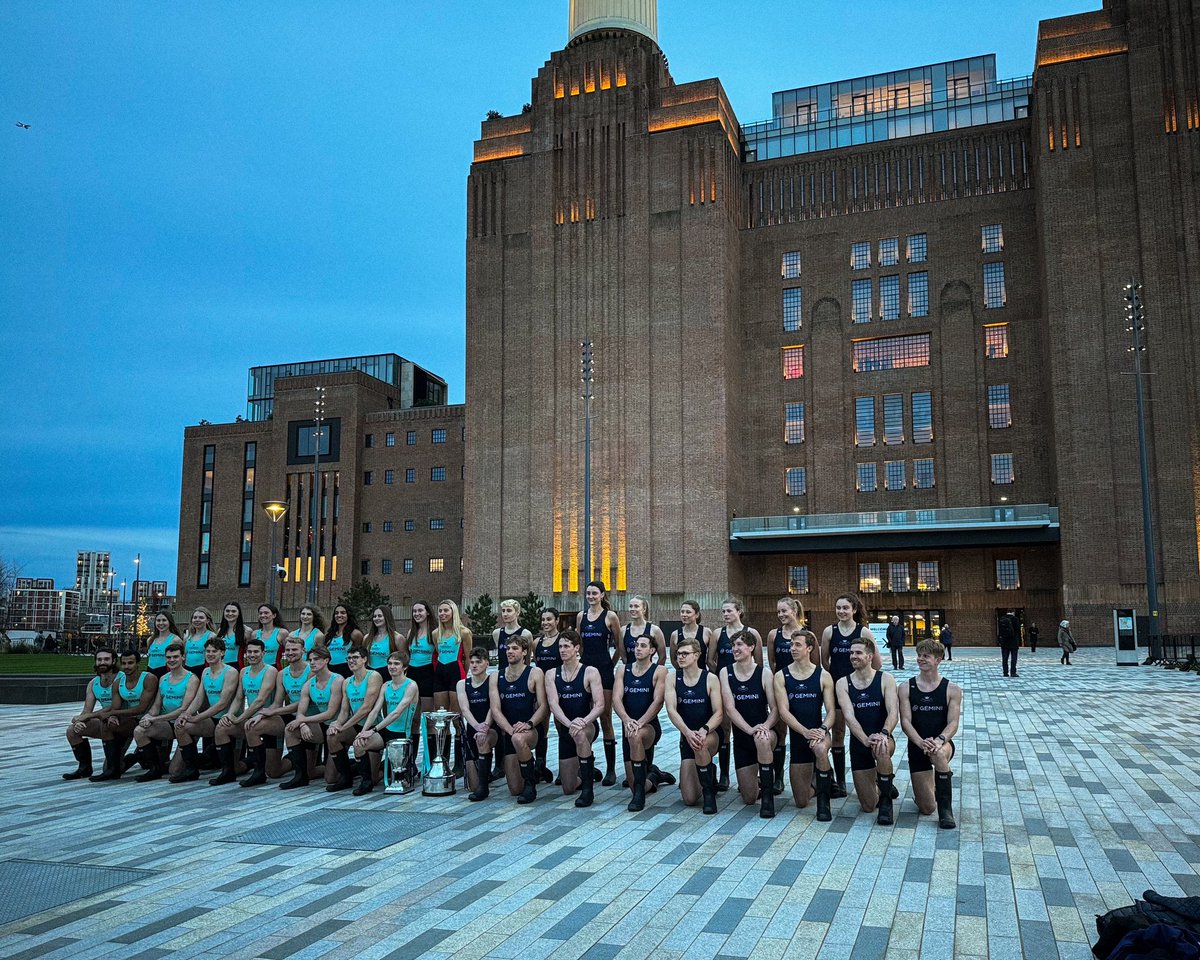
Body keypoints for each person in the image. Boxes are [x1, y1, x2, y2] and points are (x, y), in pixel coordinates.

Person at [820, 593, 882, 799]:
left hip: (861, 690)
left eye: (845, 608)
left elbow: (877, 663)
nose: (841, 611)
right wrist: (840, 682)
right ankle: (840, 781)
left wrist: (861, 682)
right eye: (838, 608)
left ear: (854, 609)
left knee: (865, 731)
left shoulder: (863, 631)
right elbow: (825, 663)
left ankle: (879, 778)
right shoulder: (830, 631)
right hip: (839, 689)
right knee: (838, 734)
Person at [836, 636, 900, 825]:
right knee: (868, 805)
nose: (853, 656)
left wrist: (884, 734)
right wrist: (864, 739)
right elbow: (848, 716)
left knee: (881, 748)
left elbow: (893, 712)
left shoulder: (885, 679)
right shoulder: (843, 683)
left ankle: (887, 802)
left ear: (870, 656)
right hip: (860, 742)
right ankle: (883, 782)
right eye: (851, 653)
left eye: (858, 653)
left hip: (883, 739)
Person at [898, 638, 962, 829]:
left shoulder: (952, 689)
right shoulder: (905, 687)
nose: (921, 659)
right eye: (919, 655)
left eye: (926, 656)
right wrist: (920, 742)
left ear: (938, 660)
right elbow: (906, 722)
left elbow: (953, 723)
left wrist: (940, 740)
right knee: (926, 808)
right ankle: (926, 794)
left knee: (938, 753)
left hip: (941, 744)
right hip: (917, 746)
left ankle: (946, 810)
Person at [774, 631, 835, 820]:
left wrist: (822, 730)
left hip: (819, 733)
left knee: (820, 748)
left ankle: (824, 801)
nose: (792, 648)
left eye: (798, 645)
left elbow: (831, 711)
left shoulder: (823, 675)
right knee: (801, 801)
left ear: (809, 648)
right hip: (800, 737)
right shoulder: (781, 676)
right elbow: (783, 712)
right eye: (791, 644)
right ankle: (822, 780)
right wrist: (804, 732)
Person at [720, 632, 778, 818]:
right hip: (743, 737)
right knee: (749, 798)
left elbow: (775, 709)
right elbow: (730, 708)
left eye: (739, 645)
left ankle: (768, 798)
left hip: (765, 733)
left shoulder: (764, 673)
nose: (735, 649)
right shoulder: (726, 672)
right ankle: (757, 782)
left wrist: (765, 726)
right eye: (733, 645)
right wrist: (749, 730)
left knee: (762, 740)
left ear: (752, 647)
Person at [546, 630, 606, 807]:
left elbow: (600, 705)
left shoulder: (590, 672)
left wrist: (583, 721)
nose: (562, 650)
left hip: (587, 725)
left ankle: (588, 790)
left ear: (576, 648)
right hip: (567, 727)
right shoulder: (551, 674)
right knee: (568, 788)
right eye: (560, 646)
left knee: (580, 736)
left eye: (566, 646)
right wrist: (569, 723)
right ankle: (587, 770)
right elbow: (553, 705)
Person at [241, 636, 310, 786]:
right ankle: (260, 772)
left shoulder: (312, 670)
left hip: (310, 719)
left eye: (294, 649)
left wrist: (274, 712)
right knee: (273, 772)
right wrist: (261, 715)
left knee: (312, 772)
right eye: (288, 650)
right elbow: (277, 703)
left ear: (303, 650)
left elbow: (304, 702)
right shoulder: (282, 673)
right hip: (288, 717)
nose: (290, 652)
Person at [665, 637, 723, 815]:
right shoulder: (672, 678)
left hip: (709, 734)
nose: (680, 657)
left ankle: (708, 794)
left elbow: (719, 713)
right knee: (689, 799)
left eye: (685, 654)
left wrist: (704, 730)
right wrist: (687, 733)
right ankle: (708, 772)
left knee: (701, 744)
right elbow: (671, 710)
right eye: (678, 654)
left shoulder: (710, 678)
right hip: (687, 736)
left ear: (696, 655)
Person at [209, 635, 277, 786]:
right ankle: (228, 772)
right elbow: (239, 698)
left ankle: (259, 773)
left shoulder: (270, 671)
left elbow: (260, 700)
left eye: (256, 652)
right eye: (249, 652)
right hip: (250, 717)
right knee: (221, 728)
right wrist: (230, 714)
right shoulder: (244, 671)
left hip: (269, 717)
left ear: (263, 653)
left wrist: (239, 719)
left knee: (275, 771)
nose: (252, 655)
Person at [709, 599, 762, 793]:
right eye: (723, 611)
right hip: (726, 685)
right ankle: (724, 773)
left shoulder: (752, 633)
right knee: (725, 729)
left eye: (729, 611)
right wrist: (725, 681)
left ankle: (755, 773)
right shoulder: (717, 634)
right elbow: (710, 660)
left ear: (739, 611)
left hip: (747, 688)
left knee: (747, 725)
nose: (725, 614)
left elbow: (759, 662)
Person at [489, 633, 547, 804]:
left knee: (519, 739)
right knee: (514, 790)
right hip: (510, 732)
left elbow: (543, 706)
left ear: (524, 652)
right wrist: (509, 729)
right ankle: (531, 766)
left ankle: (531, 785)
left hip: (530, 731)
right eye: (508, 648)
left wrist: (529, 724)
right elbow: (495, 709)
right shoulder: (496, 676)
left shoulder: (534, 673)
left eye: (515, 648)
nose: (510, 652)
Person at [171, 637, 240, 783]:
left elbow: (223, 703)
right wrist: (187, 714)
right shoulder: (206, 672)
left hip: (229, 718)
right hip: (212, 719)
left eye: (214, 651)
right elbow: (198, 698)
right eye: (208, 651)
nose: (210, 654)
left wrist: (198, 717)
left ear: (222, 653)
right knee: (181, 726)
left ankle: (228, 772)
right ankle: (191, 770)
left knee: (220, 727)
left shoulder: (230, 672)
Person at [351, 650, 418, 795]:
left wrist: (373, 730)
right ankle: (366, 782)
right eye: (389, 663)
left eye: (396, 664)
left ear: (404, 667)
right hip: (385, 731)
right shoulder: (386, 685)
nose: (392, 667)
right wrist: (364, 731)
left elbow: (396, 713)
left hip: (401, 734)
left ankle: (407, 768)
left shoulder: (411, 685)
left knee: (400, 775)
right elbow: (375, 711)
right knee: (358, 745)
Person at [131, 642, 199, 782]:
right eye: (168, 657)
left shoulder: (191, 679)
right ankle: (154, 768)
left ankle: (198, 760)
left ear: (183, 658)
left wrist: (154, 719)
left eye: (175, 657)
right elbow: (156, 706)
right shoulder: (163, 678)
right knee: (139, 730)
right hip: (168, 724)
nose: (172, 660)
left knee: (174, 772)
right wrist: (148, 716)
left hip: (184, 724)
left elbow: (183, 710)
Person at [614, 632, 667, 811]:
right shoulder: (623, 669)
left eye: (643, 646)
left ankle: (639, 796)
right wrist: (627, 719)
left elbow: (658, 701)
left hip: (648, 726)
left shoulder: (659, 671)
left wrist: (640, 722)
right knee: (635, 782)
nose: (638, 648)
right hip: (628, 726)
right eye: (636, 645)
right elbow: (616, 699)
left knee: (636, 736)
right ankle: (654, 776)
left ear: (652, 650)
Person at [576, 580, 621, 786]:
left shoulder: (610, 617)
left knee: (605, 719)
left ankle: (611, 769)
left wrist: (609, 666)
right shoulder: (581, 617)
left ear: (602, 595)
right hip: (586, 670)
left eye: (595, 593)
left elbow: (619, 647)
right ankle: (588, 762)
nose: (591, 596)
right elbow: (580, 645)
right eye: (588, 593)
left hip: (604, 670)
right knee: (586, 717)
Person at [281, 645, 344, 789]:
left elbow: (330, 713)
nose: (312, 663)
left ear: (326, 660)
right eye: (310, 660)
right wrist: (302, 725)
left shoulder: (337, 680)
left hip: (338, 727)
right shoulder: (309, 684)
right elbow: (300, 711)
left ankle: (352, 766)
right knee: (290, 729)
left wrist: (302, 720)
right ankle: (300, 776)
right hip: (320, 726)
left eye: (316, 659)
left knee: (330, 779)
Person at [95, 648, 159, 781]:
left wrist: (111, 713)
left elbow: (140, 709)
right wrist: (112, 716)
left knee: (167, 767)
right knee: (106, 723)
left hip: (151, 721)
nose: (126, 667)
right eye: (124, 663)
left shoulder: (148, 678)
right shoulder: (118, 683)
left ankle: (140, 757)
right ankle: (113, 770)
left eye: (130, 663)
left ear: (138, 664)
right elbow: (115, 706)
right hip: (133, 721)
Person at [326, 645, 383, 792]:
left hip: (372, 727)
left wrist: (343, 727)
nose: (351, 661)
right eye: (349, 658)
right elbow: (345, 711)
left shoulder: (374, 676)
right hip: (355, 726)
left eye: (355, 657)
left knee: (374, 778)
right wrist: (337, 724)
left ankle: (376, 773)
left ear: (364, 659)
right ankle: (346, 778)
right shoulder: (347, 682)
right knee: (333, 736)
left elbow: (366, 708)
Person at [766, 598, 805, 793]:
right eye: (778, 612)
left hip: (802, 691)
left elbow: (814, 665)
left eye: (784, 611)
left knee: (802, 730)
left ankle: (809, 772)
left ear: (794, 610)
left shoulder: (806, 635)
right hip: (781, 688)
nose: (781, 615)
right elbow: (772, 663)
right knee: (781, 733)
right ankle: (778, 777)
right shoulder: (774, 635)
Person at [493, 599, 534, 782]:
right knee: (500, 720)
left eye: (509, 610)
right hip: (503, 678)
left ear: (517, 612)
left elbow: (528, 658)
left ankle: (534, 761)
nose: (506, 614)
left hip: (520, 679)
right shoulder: (497, 633)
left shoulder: (525, 633)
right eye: (503, 610)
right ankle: (499, 763)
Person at [63, 647, 118, 780]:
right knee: (71, 731)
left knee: (115, 767)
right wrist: (79, 722)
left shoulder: (121, 679)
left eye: (106, 659)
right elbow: (87, 710)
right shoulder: (93, 683)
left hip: (121, 722)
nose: (102, 662)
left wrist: (87, 716)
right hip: (105, 722)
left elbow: (115, 707)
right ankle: (84, 767)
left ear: (114, 661)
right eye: (99, 659)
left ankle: (132, 758)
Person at [456, 646, 497, 801]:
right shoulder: (462, 684)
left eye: (478, 662)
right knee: (472, 786)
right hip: (473, 729)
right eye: (471, 662)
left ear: (486, 663)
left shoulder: (493, 679)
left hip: (491, 729)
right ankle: (483, 775)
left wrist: (485, 726)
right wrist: (477, 727)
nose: (474, 665)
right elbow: (465, 709)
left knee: (483, 740)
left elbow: (494, 707)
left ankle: (484, 786)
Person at [399, 601, 436, 764]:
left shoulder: (434, 632)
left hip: (428, 674)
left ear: (427, 612)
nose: (417, 614)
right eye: (414, 611)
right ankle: (411, 762)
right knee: (413, 719)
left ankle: (433, 760)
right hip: (413, 674)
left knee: (428, 720)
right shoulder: (411, 632)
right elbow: (406, 654)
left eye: (420, 610)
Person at [532, 607, 562, 784]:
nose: (546, 623)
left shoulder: (562, 641)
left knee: (560, 727)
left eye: (549, 619)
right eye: (543, 620)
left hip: (559, 690)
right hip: (541, 691)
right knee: (541, 728)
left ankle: (564, 766)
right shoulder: (537, 643)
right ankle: (540, 765)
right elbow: (537, 665)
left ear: (556, 620)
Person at [622, 596, 667, 667]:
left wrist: (653, 672)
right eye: (631, 606)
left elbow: (662, 657)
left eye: (636, 606)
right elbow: (624, 657)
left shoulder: (655, 630)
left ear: (644, 609)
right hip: (630, 673)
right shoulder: (623, 630)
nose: (633, 609)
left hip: (648, 674)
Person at [325, 604, 364, 678]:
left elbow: (359, 655)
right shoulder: (328, 635)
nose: (339, 615)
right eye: (336, 613)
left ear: (348, 615)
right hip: (330, 670)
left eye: (343, 613)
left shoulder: (355, 634)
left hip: (347, 670)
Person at [669, 601, 709, 671]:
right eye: (682, 612)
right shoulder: (675, 634)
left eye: (688, 612)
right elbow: (673, 659)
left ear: (697, 614)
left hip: (702, 675)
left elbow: (712, 658)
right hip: (683, 675)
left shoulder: (706, 632)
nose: (684, 615)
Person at [365, 606, 402, 679]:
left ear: (387, 617)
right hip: (370, 675)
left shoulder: (397, 638)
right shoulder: (367, 638)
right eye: (374, 616)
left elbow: (404, 660)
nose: (376, 618)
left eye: (380, 616)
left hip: (388, 675)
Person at [146, 613, 185, 679]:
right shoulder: (150, 640)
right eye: (158, 620)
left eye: (164, 620)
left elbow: (182, 660)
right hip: (150, 673)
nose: (161, 623)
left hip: (167, 673)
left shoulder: (175, 640)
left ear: (169, 622)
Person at [255, 603, 290, 670]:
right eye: (260, 613)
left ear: (274, 615)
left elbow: (289, 653)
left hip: (275, 669)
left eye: (266, 613)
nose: (263, 615)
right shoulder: (254, 634)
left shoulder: (282, 633)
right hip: (257, 669)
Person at [182, 608, 216, 677]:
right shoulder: (187, 637)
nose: (197, 620)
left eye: (201, 618)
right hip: (187, 670)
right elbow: (184, 657)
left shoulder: (211, 636)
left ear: (207, 621)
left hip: (203, 670)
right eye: (195, 618)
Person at [215, 603, 250, 668]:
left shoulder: (246, 631)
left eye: (233, 611)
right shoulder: (220, 630)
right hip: (220, 666)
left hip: (237, 666)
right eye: (227, 611)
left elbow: (250, 652)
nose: (230, 614)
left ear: (239, 613)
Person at [998, 611, 1020, 677]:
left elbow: (1000, 631)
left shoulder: (1002, 619)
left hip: (1004, 642)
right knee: (1013, 658)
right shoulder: (1015, 619)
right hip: (1013, 642)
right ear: (1013, 612)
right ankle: (1013, 672)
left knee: (1005, 658)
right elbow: (1018, 630)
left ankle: (1005, 672)